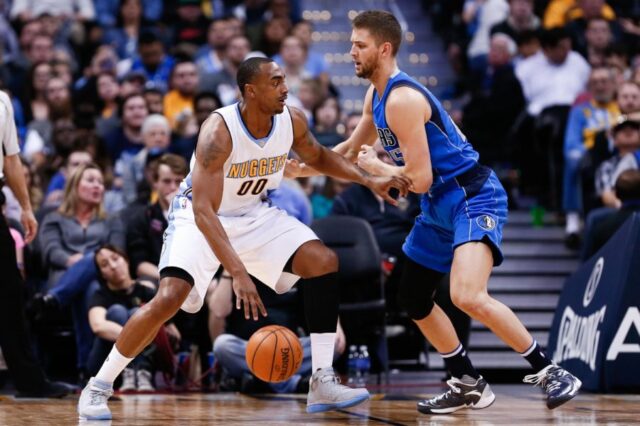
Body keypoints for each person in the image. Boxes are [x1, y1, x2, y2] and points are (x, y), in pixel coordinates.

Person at [78, 56, 408, 421]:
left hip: (251, 212)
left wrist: (370, 179)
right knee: (169, 297)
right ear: (251, 91)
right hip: (199, 216)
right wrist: (238, 272)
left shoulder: (292, 119)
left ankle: (322, 378)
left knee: (323, 261)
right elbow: (204, 211)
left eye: (285, 79)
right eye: (276, 82)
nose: (285, 88)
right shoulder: (218, 131)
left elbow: (319, 157)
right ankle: (98, 386)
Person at [287, 10, 581, 414]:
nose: (351, 52)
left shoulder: (404, 99)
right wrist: (306, 168)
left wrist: (380, 169)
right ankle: (466, 381)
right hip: (439, 203)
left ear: (384, 48)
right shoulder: (376, 95)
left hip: (472, 196)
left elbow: (419, 178)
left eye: (360, 45)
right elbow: (352, 149)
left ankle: (550, 371)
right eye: (351, 44)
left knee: (466, 294)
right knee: (410, 296)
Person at [0, 90, 69, 398]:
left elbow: (11, 160)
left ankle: (30, 381)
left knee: (10, 291)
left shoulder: (3, 101)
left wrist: (26, 207)